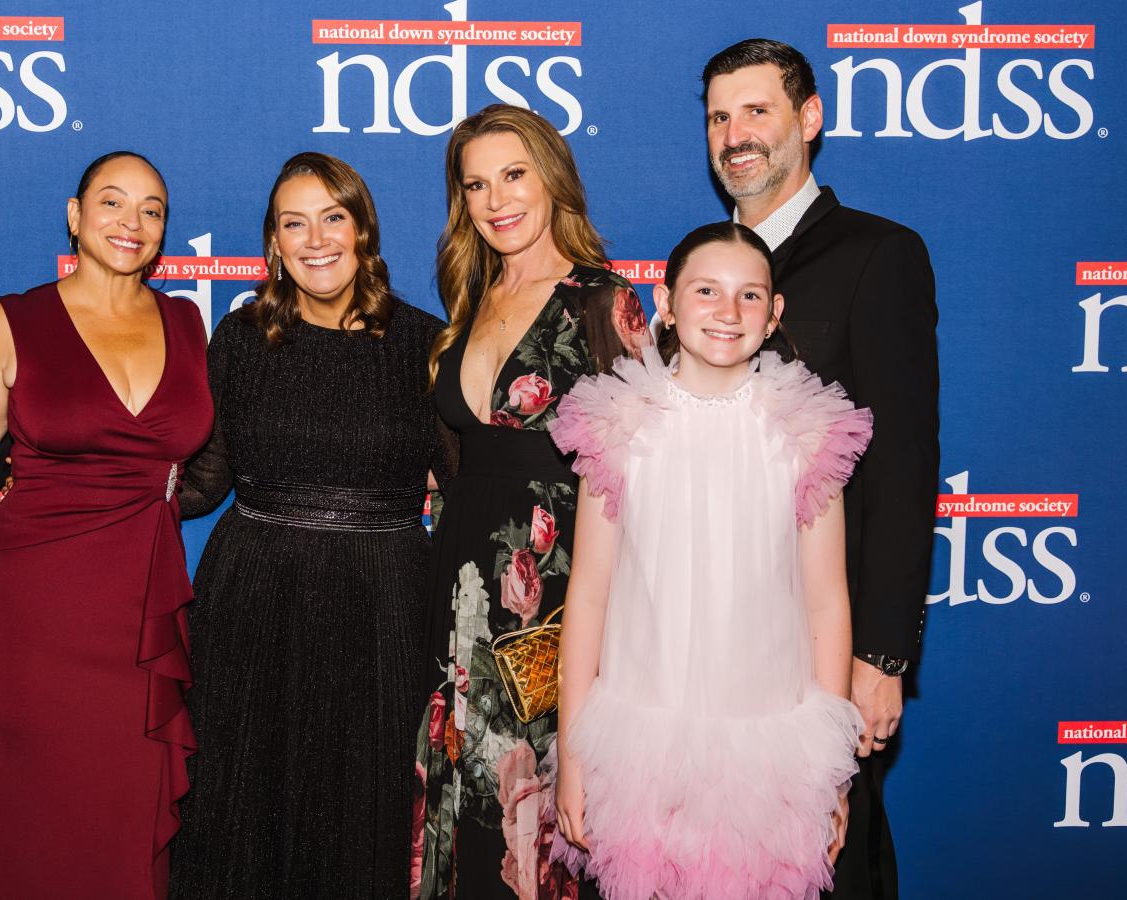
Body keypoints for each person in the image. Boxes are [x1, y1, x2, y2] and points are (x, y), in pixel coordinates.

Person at [551, 222, 870, 899]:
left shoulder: (806, 431)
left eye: (750, 296)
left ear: (774, 313)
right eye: (706, 291)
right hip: (640, 748)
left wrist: (831, 772)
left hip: (770, 759)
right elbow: (588, 596)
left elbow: (826, 602)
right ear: (665, 303)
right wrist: (575, 757)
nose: (728, 313)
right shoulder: (619, 422)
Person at [168, 152, 448, 899]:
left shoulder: (427, 346)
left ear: (363, 232)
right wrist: (77, 490)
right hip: (256, 601)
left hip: (384, 606)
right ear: (273, 244)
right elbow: (202, 480)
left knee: (371, 809)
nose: (316, 239)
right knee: (245, 806)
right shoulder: (239, 340)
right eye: (296, 223)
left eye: (334, 218)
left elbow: (464, 485)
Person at [701, 39, 940, 899]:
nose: (736, 136)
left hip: (821, 645)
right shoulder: (706, 273)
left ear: (810, 118)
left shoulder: (881, 254)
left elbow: (906, 469)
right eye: (720, 117)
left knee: (833, 863)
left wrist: (880, 657)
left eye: (757, 111)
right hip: (708, 640)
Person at [0, 151, 212, 899]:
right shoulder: (16, 320)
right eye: (111, 202)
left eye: (151, 210)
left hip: (141, 611)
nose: (131, 223)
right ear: (74, 215)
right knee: (32, 817)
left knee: (125, 815)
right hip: (30, 615)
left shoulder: (186, 321)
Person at [413, 103, 647, 900]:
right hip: (453, 602)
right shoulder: (469, 299)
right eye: (475, 184)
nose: (495, 199)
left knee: (530, 822)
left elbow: (641, 485)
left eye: (513, 175)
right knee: (458, 812)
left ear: (552, 179)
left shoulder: (601, 303)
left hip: (551, 611)